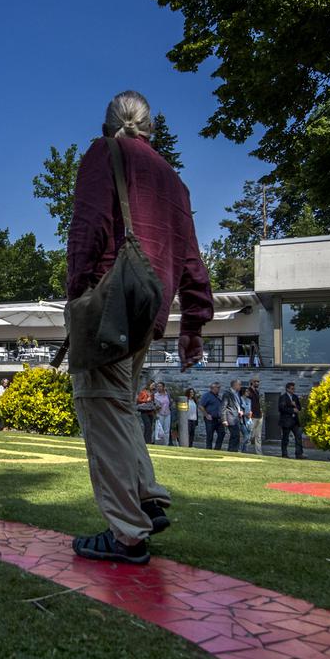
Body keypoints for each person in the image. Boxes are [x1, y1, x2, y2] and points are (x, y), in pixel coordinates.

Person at [67, 90, 214, 565]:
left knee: (99, 405)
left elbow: (86, 230)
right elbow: (191, 256)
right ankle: (148, 498)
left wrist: (78, 296)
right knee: (121, 404)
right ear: (148, 128)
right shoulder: (173, 179)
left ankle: (127, 532)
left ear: (108, 124)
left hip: (109, 298)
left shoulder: (102, 154)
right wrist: (193, 324)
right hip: (150, 308)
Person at [223, 379, 251, 453]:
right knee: (235, 435)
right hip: (230, 418)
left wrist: (241, 410)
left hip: (237, 418)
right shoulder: (227, 394)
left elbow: (238, 405)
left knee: (236, 436)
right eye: (239, 385)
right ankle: (232, 451)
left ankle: (233, 451)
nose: (240, 386)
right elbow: (223, 407)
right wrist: (224, 420)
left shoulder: (237, 394)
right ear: (235, 385)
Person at [279, 382, 306, 458]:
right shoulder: (283, 397)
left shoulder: (295, 397)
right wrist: (292, 410)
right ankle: (284, 454)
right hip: (286, 421)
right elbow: (281, 408)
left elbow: (299, 408)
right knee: (285, 438)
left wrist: (295, 405)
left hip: (295, 421)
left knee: (298, 437)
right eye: (292, 388)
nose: (293, 390)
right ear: (287, 389)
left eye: (294, 388)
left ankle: (299, 454)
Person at [199, 381, 225, 450]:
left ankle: (217, 449)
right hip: (210, 419)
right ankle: (208, 449)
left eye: (219, 387)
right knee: (210, 435)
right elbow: (201, 406)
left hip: (219, 419)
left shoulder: (218, 396)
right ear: (212, 388)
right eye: (218, 387)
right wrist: (206, 415)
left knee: (222, 433)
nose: (219, 389)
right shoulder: (206, 395)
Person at [244, 378, 265, 455]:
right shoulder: (248, 390)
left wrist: (261, 410)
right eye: (256, 382)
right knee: (250, 435)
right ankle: (245, 450)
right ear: (252, 382)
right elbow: (246, 402)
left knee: (258, 436)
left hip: (259, 415)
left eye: (258, 381)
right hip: (252, 416)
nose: (258, 383)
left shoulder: (257, 391)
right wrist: (248, 412)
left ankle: (259, 453)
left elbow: (257, 403)